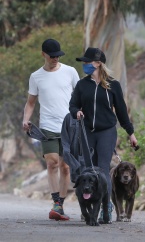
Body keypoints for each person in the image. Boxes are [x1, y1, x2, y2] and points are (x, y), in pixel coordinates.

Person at [69, 47, 138, 223]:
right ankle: (90, 206)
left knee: (103, 169)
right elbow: (73, 105)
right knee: (88, 169)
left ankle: (105, 206)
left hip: (107, 131)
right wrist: (76, 112)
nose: (85, 65)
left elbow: (122, 111)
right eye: (84, 62)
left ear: (98, 63)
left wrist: (131, 133)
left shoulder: (113, 85)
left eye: (88, 62)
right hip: (87, 131)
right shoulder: (82, 84)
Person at [23, 39, 79, 221]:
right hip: (48, 126)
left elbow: (80, 96)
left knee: (65, 166)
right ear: (43, 55)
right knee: (52, 163)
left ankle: (61, 205)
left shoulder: (70, 72)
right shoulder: (36, 76)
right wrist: (26, 119)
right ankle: (56, 203)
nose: (55, 58)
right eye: (52, 56)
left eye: (58, 56)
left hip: (69, 126)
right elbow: (30, 102)